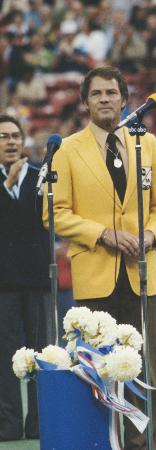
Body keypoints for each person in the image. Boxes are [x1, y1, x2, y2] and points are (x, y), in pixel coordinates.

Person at [42, 66, 156, 450]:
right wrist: (102, 234)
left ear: (124, 99)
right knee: (96, 370)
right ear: (85, 103)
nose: (105, 99)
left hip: (141, 274)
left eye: (112, 93)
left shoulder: (145, 143)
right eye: (97, 93)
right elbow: (54, 212)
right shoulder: (67, 149)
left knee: (143, 370)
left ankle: (144, 445)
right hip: (93, 275)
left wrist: (150, 235)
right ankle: (99, 443)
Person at [0, 114, 50, 441]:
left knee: (39, 354)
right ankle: (8, 425)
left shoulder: (42, 178)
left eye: (15, 136)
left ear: (24, 141)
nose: (11, 142)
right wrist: (6, 186)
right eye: (3, 137)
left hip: (36, 280)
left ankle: (38, 424)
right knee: (4, 356)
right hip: (2, 283)